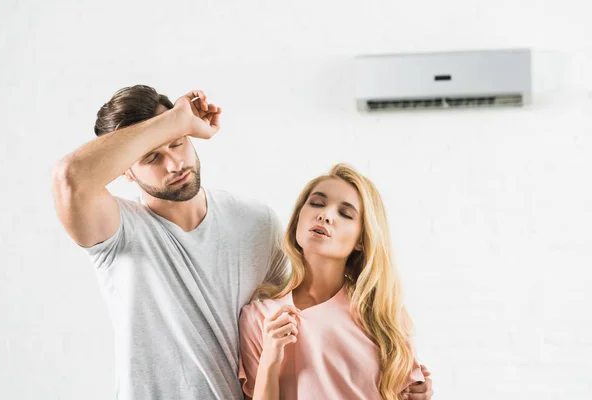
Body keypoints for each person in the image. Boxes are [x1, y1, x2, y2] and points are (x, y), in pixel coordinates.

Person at [51, 85, 288, 399]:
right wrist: (177, 119)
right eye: (151, 157)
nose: (175, 164)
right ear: (126, 172)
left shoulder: (258, 223)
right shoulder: (116, 232)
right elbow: (71, 177)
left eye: (178, 143)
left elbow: (290, 330)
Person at [238, 164, 433, 400]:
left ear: (361, 240)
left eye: (346, 214)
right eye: (317, 203)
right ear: (299, 215)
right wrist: (270, 357)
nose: (325, 215)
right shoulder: (260, 317)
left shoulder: (381, 312)